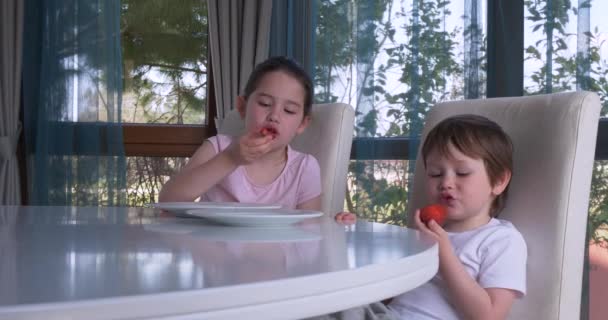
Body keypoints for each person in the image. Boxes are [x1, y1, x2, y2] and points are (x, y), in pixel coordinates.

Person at [159, 56, 354, 223]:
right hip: (216, 259)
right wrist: (230, 159)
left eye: (289, 110)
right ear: (242, 107)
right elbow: (167, 201)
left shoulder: (304, 168)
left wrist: (335, 223)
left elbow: (311, 229)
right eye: (265, 103)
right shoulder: (218, 147)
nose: (274, 115)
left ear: (302, 123)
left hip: (275, 261)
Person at [387, 114, 527, 319]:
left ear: (498, 181)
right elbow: (390, 293)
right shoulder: (425, 231)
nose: (446, 183)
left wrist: (443, 253)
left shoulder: (502, 240)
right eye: (435, 173)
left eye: (462, 173)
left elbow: (490, 316)